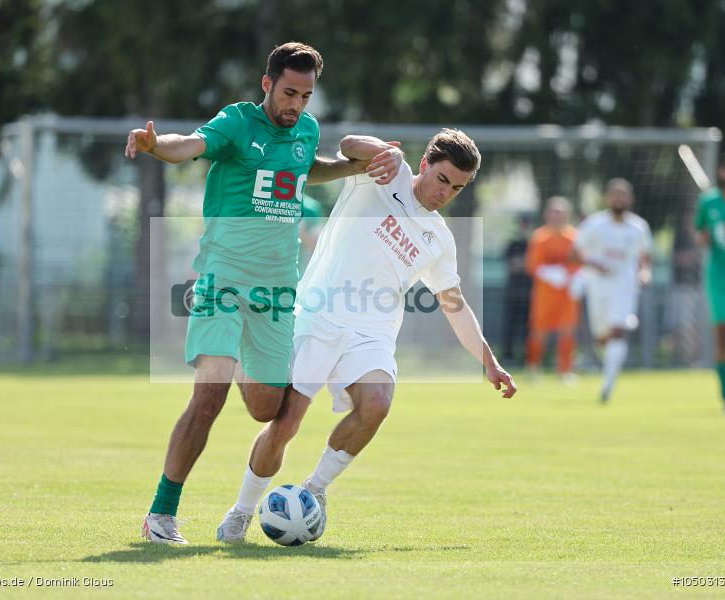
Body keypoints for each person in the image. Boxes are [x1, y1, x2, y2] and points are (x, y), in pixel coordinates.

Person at [125, 42, 403, 545]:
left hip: (278, 292)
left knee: (264, 409)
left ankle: (233, 359)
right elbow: (188, 144)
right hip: (223, 280)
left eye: (306, 95)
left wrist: (350, 169)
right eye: (289, 92)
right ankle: (160, 515)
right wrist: (154, 146)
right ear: (267, 83)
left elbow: (305, 166)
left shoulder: (307, 131)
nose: (296, 104)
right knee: (207, 398)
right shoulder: (237, 123)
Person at [216, 129, 517, 543]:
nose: (445, 192)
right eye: (442, 179)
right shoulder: (387, 173)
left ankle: (314, 490)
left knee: (377, 404)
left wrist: (489, 361)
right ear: (425, 165)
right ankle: (242, 511)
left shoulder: (439, 239)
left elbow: (455, 304)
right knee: (285, 425)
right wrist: (383, 151)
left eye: (458, 188)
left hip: (371, 333)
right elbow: (347, 145)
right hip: (319, 315)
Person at [571, 179, 652, 403]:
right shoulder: (594, 224)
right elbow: (576, 252)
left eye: (623, 195)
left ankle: (607, 385)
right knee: (603, 337)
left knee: (618, 330)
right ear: (608, 198)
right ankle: (609, 363)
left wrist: (645, 273)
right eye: (615, 194)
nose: (619, 198)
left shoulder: (638, 226)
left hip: (624, 285)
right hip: (597, 286)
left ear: (630, 199)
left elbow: (645, 256)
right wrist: (595, 264)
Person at [694, 149, 725, 417]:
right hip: (720, 276)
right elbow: (699, 231)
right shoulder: (708, 201)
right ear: (722, 171)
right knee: (722, 333)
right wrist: (702, 238)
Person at [525, 197, 580, 381]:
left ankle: (565, 371)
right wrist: (550, 273)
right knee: (539, 331)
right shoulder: (539, 237)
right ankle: (533, 368)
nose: (557, 217)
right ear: (546, 214)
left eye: (561, 213)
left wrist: (569, 276)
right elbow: (533, 265)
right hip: (545, 294)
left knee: (567, 330)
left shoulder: (574, 237)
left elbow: (579, 263)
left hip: (568, 293)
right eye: (553, 212)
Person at [501, 213, 533, 364]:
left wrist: (526, 263)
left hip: (530, 293)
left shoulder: (534, 244)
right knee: (510, 326)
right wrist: (527, 263)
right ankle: (508, 357)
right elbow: (513, 266)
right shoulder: (512, 244)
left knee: (529, 328)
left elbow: (533, 266)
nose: (524, 227)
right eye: (522, 223)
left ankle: (529, 359)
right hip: (513, 293)